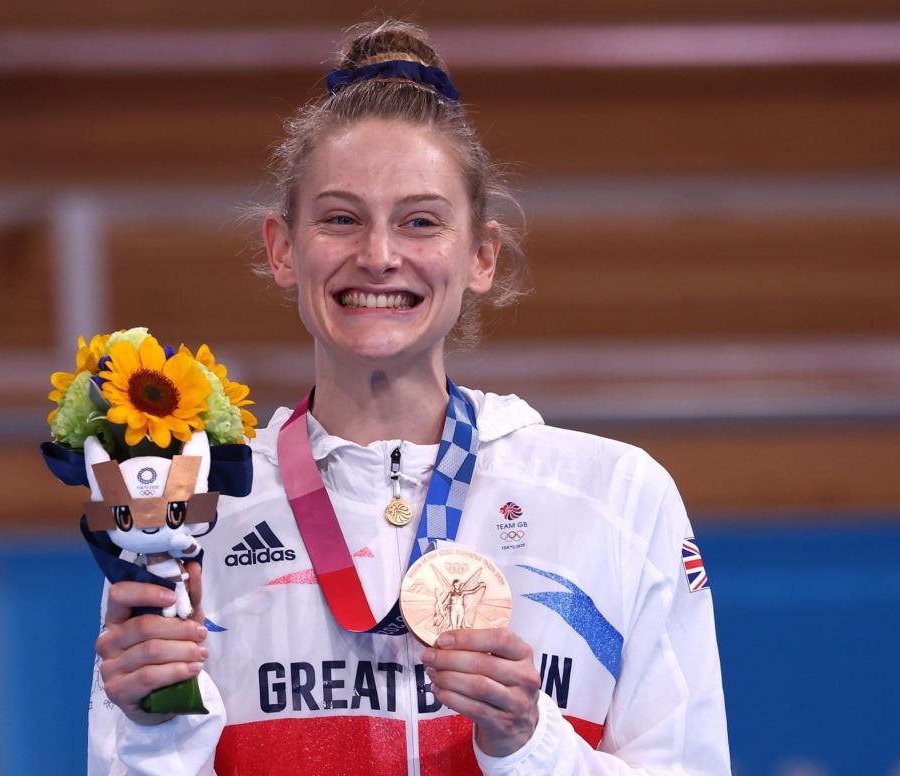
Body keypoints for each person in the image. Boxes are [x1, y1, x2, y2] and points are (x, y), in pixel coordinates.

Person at [89, 19, 730, 775]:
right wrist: (153, 734)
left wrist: (532, 743)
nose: (380, 256)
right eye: (340, 219)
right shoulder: (189, 510)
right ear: (282, 250)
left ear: (482, 256)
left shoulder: (617, 498)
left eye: (420, 222)